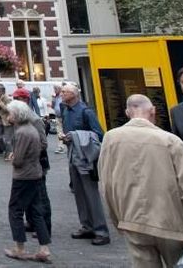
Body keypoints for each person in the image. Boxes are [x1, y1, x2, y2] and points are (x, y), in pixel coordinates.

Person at [99, 94, 183, 268]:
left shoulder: (111, 139)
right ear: (153, 111)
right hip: (172, 224)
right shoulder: (170, 141)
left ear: (128, 112)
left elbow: (107, 184)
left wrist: (118, 219)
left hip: (133, 221)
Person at [59, 81, 110, 245]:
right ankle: (86, 225)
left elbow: (99, 134)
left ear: (74, 94)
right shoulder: (65, 110)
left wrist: (74, 135)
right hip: (72, 155)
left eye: (65, 92)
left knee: (91, 194)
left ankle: (101, 230)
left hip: (86, 158)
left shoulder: (86, 112)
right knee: (79, 193)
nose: (61, 94)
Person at [3, 100, 52, 263]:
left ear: (16, 115)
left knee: (15, 211)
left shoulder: (22, 132)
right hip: (36, 174)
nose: (8, 116)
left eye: (10, 113)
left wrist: (13, 158)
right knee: (36, 211)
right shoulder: (31, 129)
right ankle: (44, 248)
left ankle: (19, 248)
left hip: (24, 176)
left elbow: (19, 160)